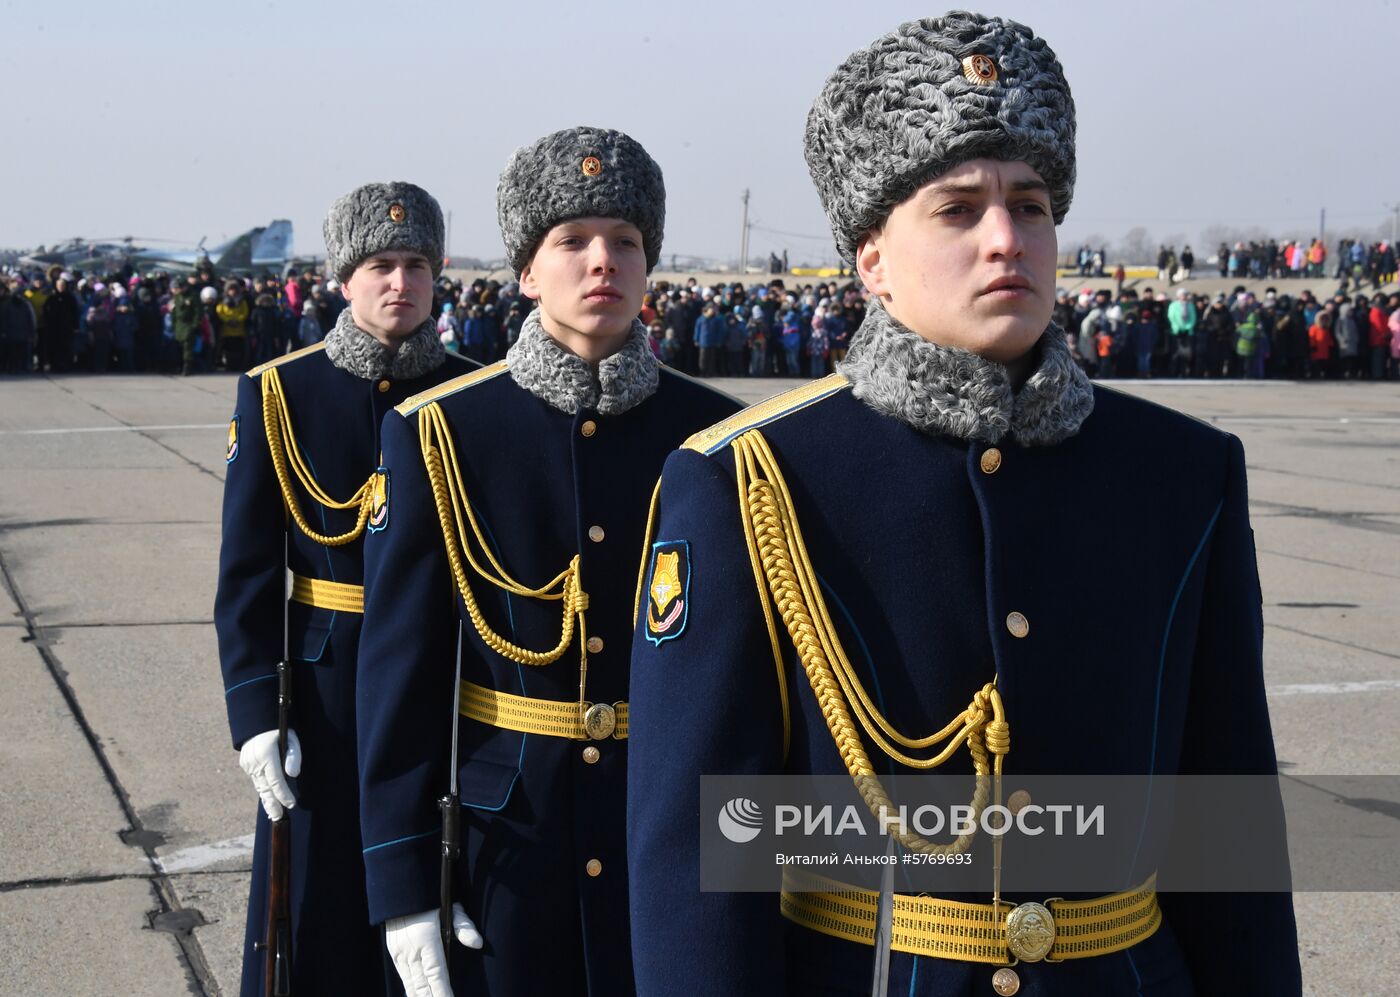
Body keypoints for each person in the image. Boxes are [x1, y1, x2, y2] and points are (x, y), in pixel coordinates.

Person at [627, 12, 1300, 996]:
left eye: (1029, 205)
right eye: (956, 209)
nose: (1005, 240)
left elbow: (1226, 821)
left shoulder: (1178, 473)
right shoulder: (754, 480)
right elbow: (699, 854)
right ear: (870, 261)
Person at [355, 127, 741, 997]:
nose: (601, 261)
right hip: (508, 851)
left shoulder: (721, 440)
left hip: (675, 842)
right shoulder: (441, 433)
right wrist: (404, 884)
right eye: (571, 241)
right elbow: (400, 680)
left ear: (650, 266)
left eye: (626, 242)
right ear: (527, 272)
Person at [214, 182, 474, 997]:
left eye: (418, 265)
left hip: (444, 678)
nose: (401, 283)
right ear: (343, 277)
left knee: (430, 895)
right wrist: (255, 714)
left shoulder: (474, 393)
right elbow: (247, 572)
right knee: (317, 911)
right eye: (381, 264)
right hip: (325, 694)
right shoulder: (279, 393)